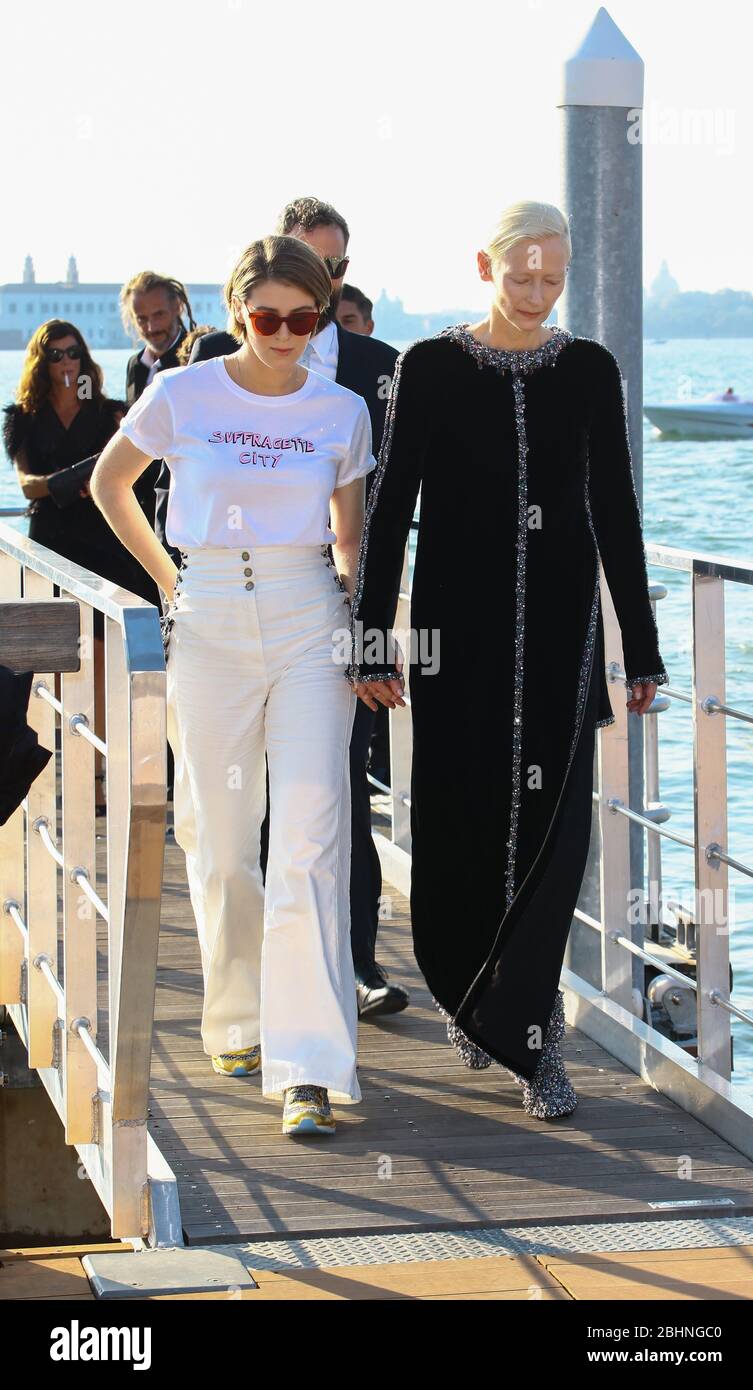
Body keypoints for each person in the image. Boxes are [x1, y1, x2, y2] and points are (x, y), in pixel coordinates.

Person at [347, 200, 669, 1120]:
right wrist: (371, 643)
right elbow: (389, 510)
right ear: (484, 269)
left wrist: (639, 648)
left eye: (553, 279)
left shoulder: (589, 371)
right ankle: (467, 992)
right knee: (460, 827)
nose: (536, 294)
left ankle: (534, 1039)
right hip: (457, 642)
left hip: (565, 641)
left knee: (555, 838)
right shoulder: (432, 368)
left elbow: (616, 509)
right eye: (521, 276)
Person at [91, 236, 376, 1138]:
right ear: (236, 311)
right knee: (219, 842)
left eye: (306, 317)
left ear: (323, 315)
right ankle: (239, 1021)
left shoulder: (342, 411)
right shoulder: (183, 393)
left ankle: (309, 1069)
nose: (286, 333)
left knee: (307, 841)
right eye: (267, 317)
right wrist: (169, 584)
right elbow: (111, 485)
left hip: (307, 619)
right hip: (208, 612)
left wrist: (369, 640)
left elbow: (352, 540)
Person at [189, 197, 408, 1021]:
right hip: (225, 612)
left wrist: (377, 630)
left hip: (333, 610)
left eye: (335, 276)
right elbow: (153, 476)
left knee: (332, 797)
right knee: (234, 824)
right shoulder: (211, 360)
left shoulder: (380, 372)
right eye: (306, 274)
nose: (302, 315)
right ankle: (242, 1001)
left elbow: (395, 504)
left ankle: (349, 968)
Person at [2, 319, 160, 812]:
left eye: (73, 353)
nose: (66, 362)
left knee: (107, 656)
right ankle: (58, 768)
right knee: (49, 658)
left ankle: (107, 774)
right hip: (51, 546)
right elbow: (26, 484)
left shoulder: (110, 413)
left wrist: (73, 481)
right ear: (40, 362)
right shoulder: (23, 417)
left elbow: (139, 468)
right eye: (55, 355)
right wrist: (80, 476)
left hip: (106, 546)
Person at [120, 270, 197, 567]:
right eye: (141, 319)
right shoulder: (134, 365)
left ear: (177, 307)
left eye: (159, 315)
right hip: (141, 501)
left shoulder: (198, 355)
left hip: (181, 506)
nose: (151, 327)